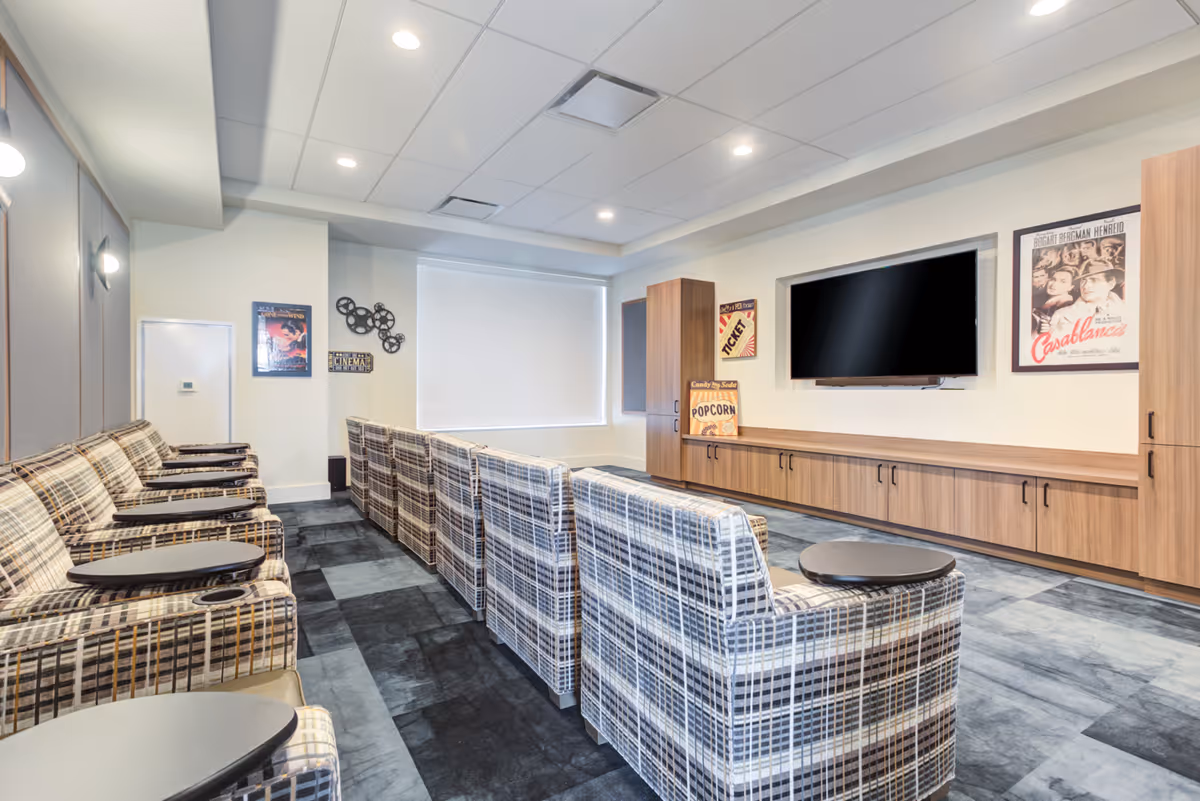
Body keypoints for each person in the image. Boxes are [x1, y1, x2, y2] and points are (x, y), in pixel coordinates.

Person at [1047, 259, 1126, 338]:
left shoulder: (1125, 312)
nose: (1085, 286)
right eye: (1083, 280)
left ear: (1111, 283)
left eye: (1094, 280)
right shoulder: (1061, 315)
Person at [1034, 265, 1076, 333]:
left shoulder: (1066, 307)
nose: (1054, 284)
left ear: (1071, 287)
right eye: (1053, 279)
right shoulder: (1042, 301)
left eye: (1063, 281)